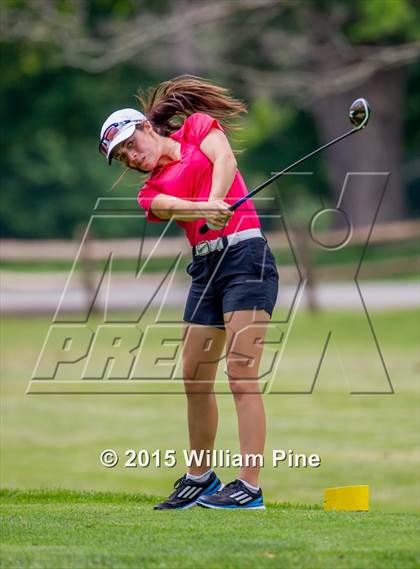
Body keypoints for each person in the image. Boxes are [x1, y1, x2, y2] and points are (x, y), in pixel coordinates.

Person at [98, 76, 279, 510]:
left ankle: (249, 487)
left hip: (246, 258)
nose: (132, 156)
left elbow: (226, 161)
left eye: (130, 143)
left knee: (241, 373)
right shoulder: (149, 192)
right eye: (122, 156)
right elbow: (173, 208)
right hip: (205, 269)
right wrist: (206, 210)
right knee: (195, 377)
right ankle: (200, 476)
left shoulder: (197, 127)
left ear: (145, 126)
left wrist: (218, 202)